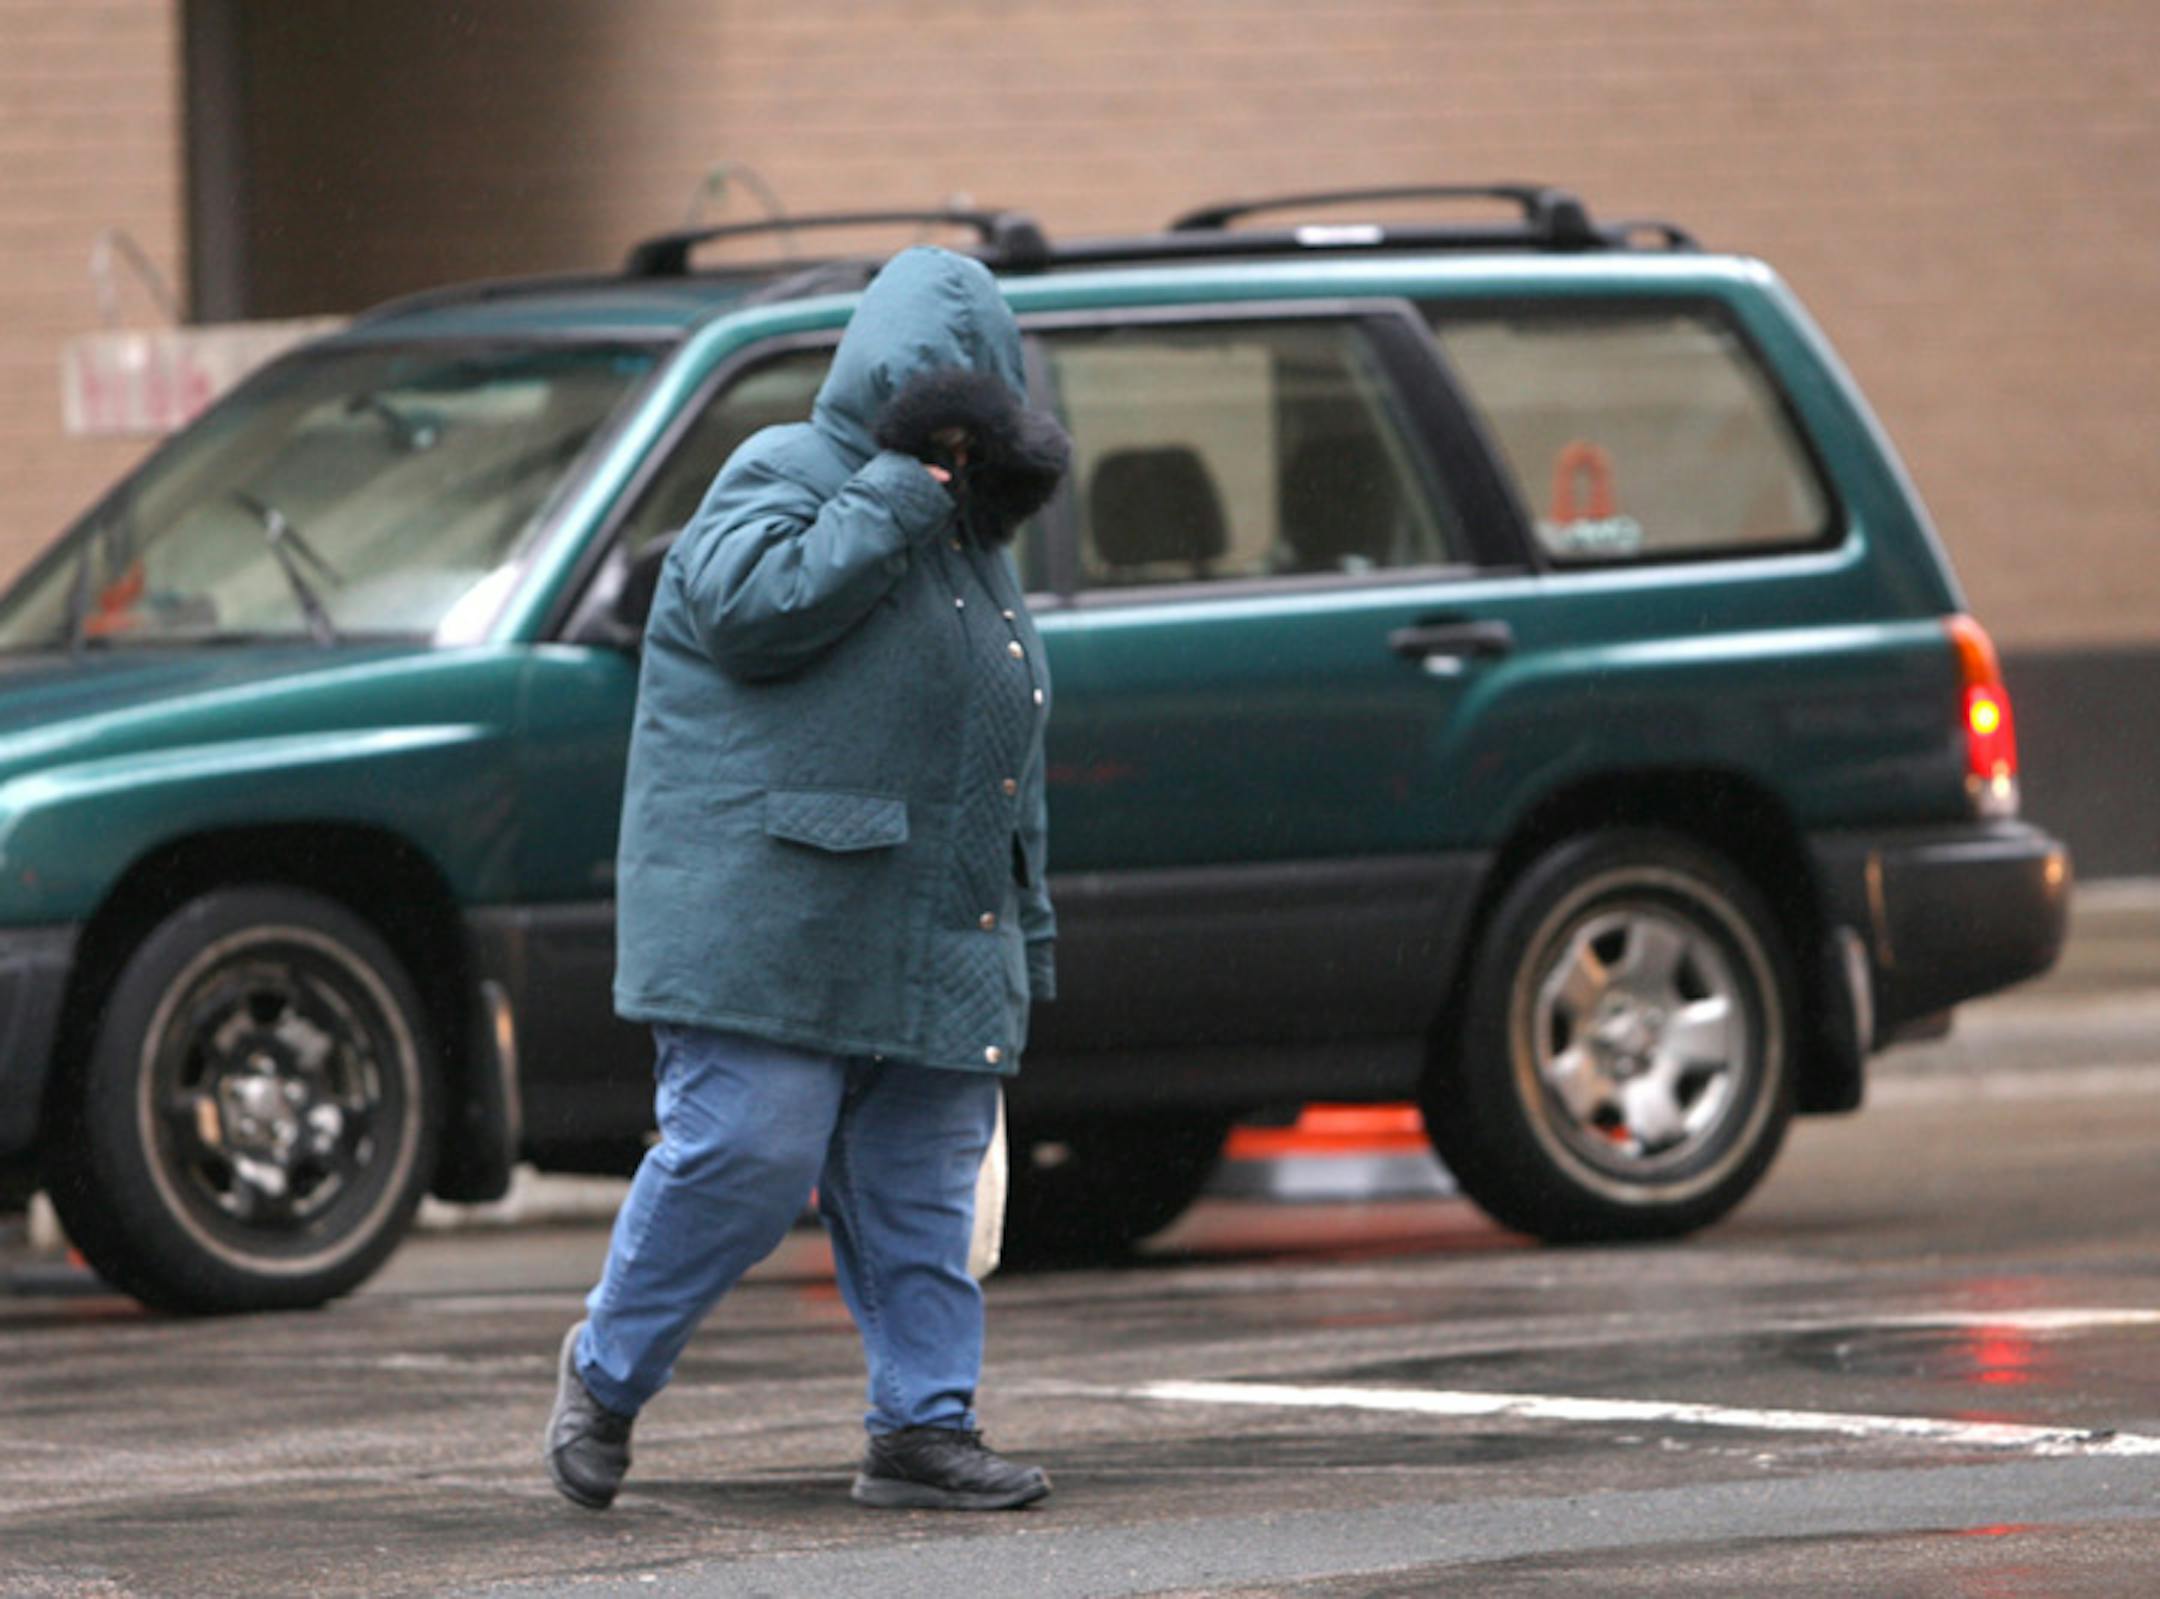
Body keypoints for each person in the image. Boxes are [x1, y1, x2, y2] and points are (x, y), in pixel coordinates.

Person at [543, 246, 1069, 1513]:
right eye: (928, 405)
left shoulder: (975, 542)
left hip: (941, 919)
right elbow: (744, 607)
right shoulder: (784, 470)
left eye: (971, 413)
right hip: (771, 909)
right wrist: (894, 490)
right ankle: (606, 1375)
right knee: (748, 1150)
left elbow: (1004, 741)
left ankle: (921, 1428)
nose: (952, 441)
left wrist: (1024, 932)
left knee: (921, 1188)